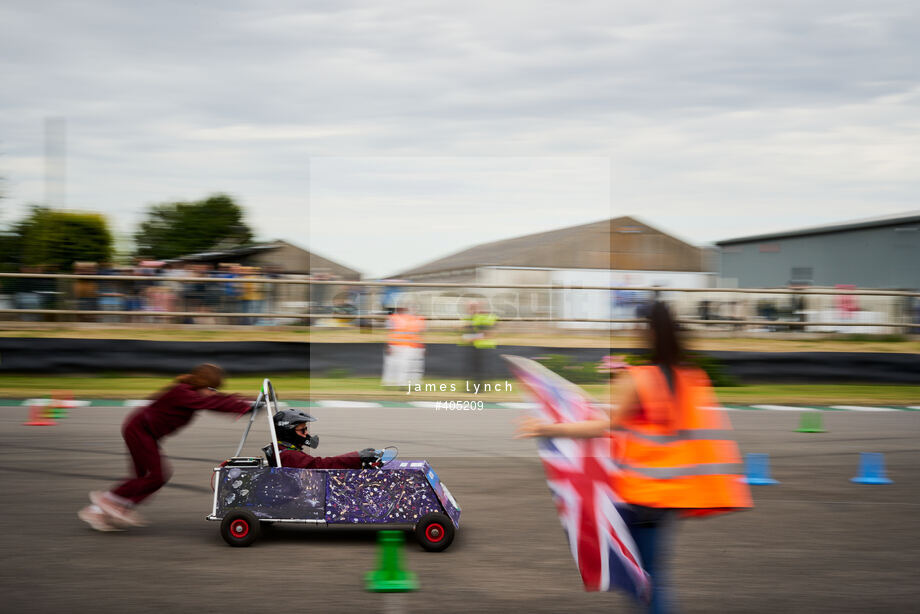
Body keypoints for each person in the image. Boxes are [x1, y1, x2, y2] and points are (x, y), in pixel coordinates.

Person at [516, 301, 751, 613]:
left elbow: (604, 426)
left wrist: (548, 427)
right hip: (672, 496)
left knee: (645, 581)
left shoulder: (641, 378)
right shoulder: (689, 377)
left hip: (640, 495)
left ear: (648, 330)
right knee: (653, 576)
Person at [78, 363, 254, 532]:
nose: (212, 392)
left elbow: (217, 398)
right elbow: (214, 403)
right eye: (211, 388)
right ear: (202, 383)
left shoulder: (193, 392)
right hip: (140, 431)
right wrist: (244, 408)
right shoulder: (184, 393)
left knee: (144, 476)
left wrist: (248, 401)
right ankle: (107, 501)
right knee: (157, 475)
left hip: (143, 431)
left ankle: (101, 510)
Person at [263, 409, 380, 469]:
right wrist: (356, 458)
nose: (307, 433)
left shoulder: (281, 448)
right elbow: (321, 466)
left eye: (306, 428)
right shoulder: (289, 455)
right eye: (303, 430)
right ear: (288, 432)